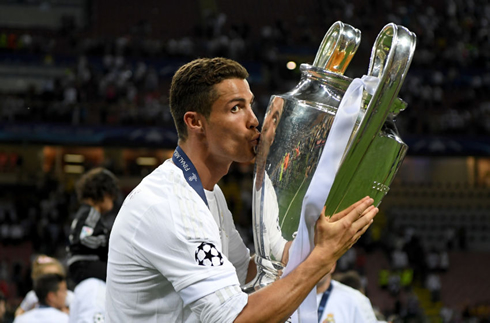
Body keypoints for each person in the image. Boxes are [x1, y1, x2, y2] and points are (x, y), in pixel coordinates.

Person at [105, 57, 378, 322]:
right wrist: (320, 259)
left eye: (250, 105)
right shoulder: (171, 204)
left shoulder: (208, 193)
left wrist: (310, 246)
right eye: (235, 108)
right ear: (195, 122)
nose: (254, 120)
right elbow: (237, 319)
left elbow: (248, 272)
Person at [67, 167, 119, 323]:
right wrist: (108, 239)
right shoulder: (90, 212)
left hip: (82, 264)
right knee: (118, 274)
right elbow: (84, 238)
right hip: (85, 263)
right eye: (111, 195)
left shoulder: (87, 213)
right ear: (103, 193)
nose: (113, 200)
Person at [316, 263, 382, 323]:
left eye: (320, 262)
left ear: (332, 265)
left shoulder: (355, 300)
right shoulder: (305, 299)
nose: (315, 268)